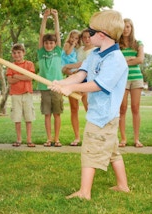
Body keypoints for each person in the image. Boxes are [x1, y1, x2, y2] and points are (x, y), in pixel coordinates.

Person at [49, 10, 130, 200]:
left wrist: (73, 89)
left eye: (90, 32)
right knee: (112, 151)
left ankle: (85, 193)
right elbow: (80, 74)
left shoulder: (116, 60)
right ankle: (123, 186)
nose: (87, 36)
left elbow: (99, 85)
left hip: (103, 116)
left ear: (101, 35)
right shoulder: (94, 54)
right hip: (100, 114)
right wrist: (62, 83)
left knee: (90, 151)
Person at [62, 29, 95, 146]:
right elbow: (69, 59)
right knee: (74, 109)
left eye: (89, 37)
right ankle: (77, 137)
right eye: (84, 37)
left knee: (89, 109)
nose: (86, 39)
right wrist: (67, 70)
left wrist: (69, 66)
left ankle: (92, 136)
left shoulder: (95, 50)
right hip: (76, 79)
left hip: (88, 81)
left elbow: (84, 64)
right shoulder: (78, 50)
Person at [37, 8, 63, 147]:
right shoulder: (41, 53)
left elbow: (57, 34)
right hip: (44, 87)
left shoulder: (58, 52)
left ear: (54, 44)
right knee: (47, 114)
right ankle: (49, 138)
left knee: (57, 114)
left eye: (51, 43)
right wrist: (45, 18)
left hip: (57, 86)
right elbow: (41, 34)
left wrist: (56, 17)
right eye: (47, 43)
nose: (49, 45)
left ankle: (57, 139)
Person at [118, 18, 145, 148]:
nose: (125, 29)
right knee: (122, 109)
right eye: (123, 27)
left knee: (135, 108)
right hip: (122, 78)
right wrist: (128, 59)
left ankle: (136, 139)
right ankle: (123, 139)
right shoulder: (117, 45)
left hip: (136, 78)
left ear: (131, 28)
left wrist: (125, 60)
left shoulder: (138, 43)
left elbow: (140, 59)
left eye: (128, 27)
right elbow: (115, 61)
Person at [6, 43, 36, 148]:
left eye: (19, 52)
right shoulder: (11, 66)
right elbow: (10, 80)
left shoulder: (29, 64)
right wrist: (23, 76)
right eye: (14, 53)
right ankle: (19, 139)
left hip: (27, 93)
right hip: (15, 94)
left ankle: (29, 140)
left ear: (23, 53)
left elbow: (30, 77)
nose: (17, 55)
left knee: (28, 117)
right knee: (17, 118)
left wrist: (17, 76)